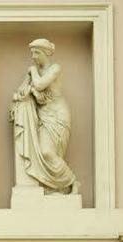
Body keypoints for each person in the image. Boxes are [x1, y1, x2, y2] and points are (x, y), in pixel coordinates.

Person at [10, 38, 78, 197]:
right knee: (42, 152)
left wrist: (32, 71)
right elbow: (29, 93)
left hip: (58, 115)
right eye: (32, 53)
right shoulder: (34, 74)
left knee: (48, 152)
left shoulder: (55, 68)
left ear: (46, 53)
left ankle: (72, 181)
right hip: (43, 116)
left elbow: (40, 85)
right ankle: (53, 187)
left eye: (36, 52)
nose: (33, 56)